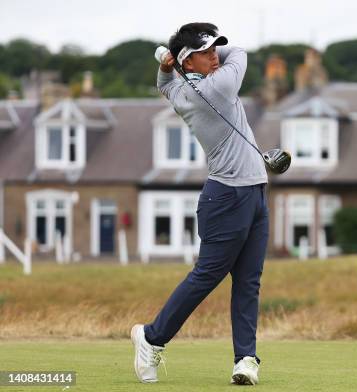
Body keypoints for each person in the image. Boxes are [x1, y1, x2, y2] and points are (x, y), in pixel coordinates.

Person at [130, 22, 268, 386]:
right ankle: (151, 336)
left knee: (248, 281)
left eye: (214, 50)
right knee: (207, 276)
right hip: (227, 196)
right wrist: (192, 55)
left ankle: (245, 359)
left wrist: (167, 62)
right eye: (207, 53)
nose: (215, 57)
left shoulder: (178, 87)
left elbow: (165, 82)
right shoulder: (218, 86)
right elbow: (240, 52)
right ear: (189, 62)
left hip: (252, 191)